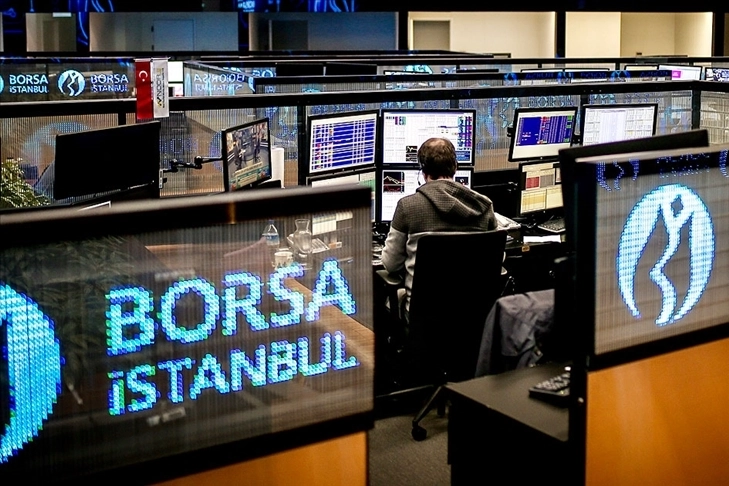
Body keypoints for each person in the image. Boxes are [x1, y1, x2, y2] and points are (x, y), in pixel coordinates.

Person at [380, 137, 498, 324]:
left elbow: (390, 264)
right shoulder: (483, 206)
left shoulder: (408, 207)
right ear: (455, 167)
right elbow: (496, 260)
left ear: (423, 171)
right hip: (473, 317)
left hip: (423, 319)